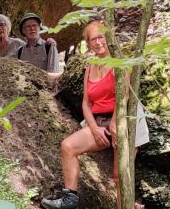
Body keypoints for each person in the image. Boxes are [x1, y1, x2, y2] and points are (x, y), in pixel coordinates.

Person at [41, 18, 149, 209]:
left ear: (109, 38)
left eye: (101, 37)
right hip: (99, 120)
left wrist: (115, 124)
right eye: (93, 39)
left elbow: (123, 97)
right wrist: (94, 128)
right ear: (88, 43)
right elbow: (86, 102)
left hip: (125, 118)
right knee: (68, 146)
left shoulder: (120, 63)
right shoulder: (90, 67)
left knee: (119, 176)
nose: (98, 42)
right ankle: (70, 200)